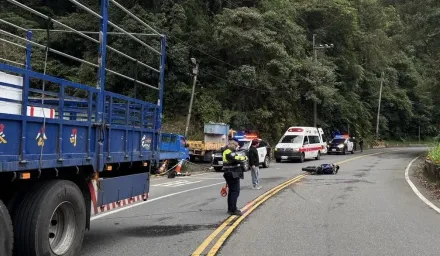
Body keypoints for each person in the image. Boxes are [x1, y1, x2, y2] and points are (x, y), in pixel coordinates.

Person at [222, 140, 247, 216]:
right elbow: (237, 158)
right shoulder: (229, 152)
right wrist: (244, 157)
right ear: (233, 145)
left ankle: (230, 209)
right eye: (236, 146)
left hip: (230, 173)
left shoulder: (228, 151)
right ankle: (233, 209)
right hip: (232, 174)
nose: (237, 147)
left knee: (232, 192)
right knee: (235, 192)